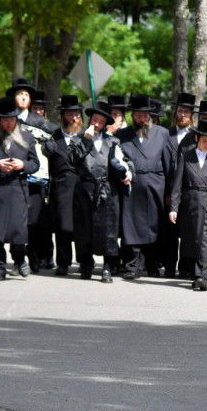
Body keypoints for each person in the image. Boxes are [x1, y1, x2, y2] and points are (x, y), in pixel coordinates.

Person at [0, 96, 40, 281]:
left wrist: (23, 165)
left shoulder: (27, 137)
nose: (7, 123)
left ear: (16, 119)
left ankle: (20, 258)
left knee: (17, 230)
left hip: (17, 188)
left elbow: (35, 164)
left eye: (11, 120)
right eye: (4, 120)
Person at [69, 102, 131, 281]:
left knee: (108, 230)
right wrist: (86, 140)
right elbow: (72, 160)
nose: (96, 124)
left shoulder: (113, 142)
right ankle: (86, 264)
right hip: (85, 189)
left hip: (106, 189)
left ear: (105, 124)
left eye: (101, 122)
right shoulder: (78, 139)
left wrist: (129, 173)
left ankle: (108, 267)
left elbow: (126, 162)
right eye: (94, 120)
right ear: (90, 120)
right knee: (84, 229)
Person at [116, 94, 173, 280]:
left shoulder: (162, 133)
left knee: (153, 226)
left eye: (145, 116)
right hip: (132, 186)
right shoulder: (122, 135)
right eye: (138, 116)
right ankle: (132, 265)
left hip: (155, 186)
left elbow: (169, 165)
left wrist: (170, 192)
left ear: (150, 116)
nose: (142, 120)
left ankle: (152, 264)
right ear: (132, 116)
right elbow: (117, 161)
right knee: (131, 226)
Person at [170, 119, 207, 291]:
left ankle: (202, 276)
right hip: (190, 203)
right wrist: (174, 208)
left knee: (206, 239)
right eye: (204, 141)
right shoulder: (186, 156)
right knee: (192, 239)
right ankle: (194, 271)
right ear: (197, 138)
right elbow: (177, 185)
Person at [9, 77, 57, 274]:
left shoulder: (40, 122)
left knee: (34, 221)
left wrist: (48, 146)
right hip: (12, 178)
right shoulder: (7, 119)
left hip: (36, 179)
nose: (22, 97)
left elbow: (57, 140)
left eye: (26, 95)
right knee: (15, 221)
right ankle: (18, 259)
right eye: (19, 94)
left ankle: (35, 256)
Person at [43, 95, 86, 276]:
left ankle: (84, 261)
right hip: (61, 186)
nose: (73, 117)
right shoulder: (54, 136)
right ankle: (63, 262)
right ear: (63, 115)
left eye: (76, 113)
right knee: (63, 226)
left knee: (82, 225)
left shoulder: (85, 135)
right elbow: (47, 160)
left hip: (82, 185)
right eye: (69, 113)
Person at [160, 92, 197, 278]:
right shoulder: (166, 135)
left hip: (189, 190)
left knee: (188, 232)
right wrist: (167, 191)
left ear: (191, 114)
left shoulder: (197, 136)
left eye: (186, 112)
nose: (182, 115)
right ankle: (169, 266)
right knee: (170, 232)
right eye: (180, 111)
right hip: (169, 189)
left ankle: (185, 267)